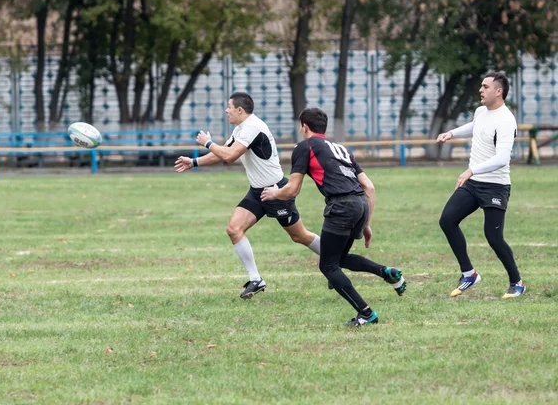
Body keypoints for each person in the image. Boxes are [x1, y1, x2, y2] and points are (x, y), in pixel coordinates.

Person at [261, 107, 406, 327]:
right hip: (359, 204)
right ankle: (387, 272)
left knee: (328, 266)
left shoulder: (304, 147)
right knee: (338, 259)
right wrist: (366, 222)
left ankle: (366, 313)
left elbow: (292, 189)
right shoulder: (341, 148)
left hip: (341, 206)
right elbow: (369, 186)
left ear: (304, 126)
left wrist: (274, 193)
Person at [174, 92, 321, 299]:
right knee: (234, 229)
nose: (226, 111)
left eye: (229, 107)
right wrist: (194, 162)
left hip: (276, 190)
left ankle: (334, 261)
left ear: (240, 110)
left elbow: (230, 156)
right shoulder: (241, 128)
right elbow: (223, 151)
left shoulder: (253, 127)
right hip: (258, 191)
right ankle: (256, 280)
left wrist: (207, 142)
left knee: (299, 236)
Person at [437, 71, 525, 299]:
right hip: (473, 183)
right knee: (447, 220)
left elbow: (502, 158)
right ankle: (469, 273)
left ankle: (517, 282)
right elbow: (476, 126)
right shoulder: (481, 112)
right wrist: (451, 133)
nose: (480, 90)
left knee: (494, 237)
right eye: (481, 86)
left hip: (495, 186)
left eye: (485, 86)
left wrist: (471, 169)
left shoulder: (506, 120)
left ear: (499, 91)